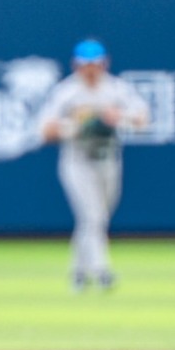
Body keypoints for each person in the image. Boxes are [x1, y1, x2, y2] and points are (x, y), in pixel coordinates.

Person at [36, 38, 150, 290]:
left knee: (97, 218)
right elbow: (44, 130)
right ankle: (102, 271)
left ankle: (78, 271)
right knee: (92, 215)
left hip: (108, 159)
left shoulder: (115, 89)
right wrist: (76, 125)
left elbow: (143, 118)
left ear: (104, 64)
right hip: (77, 160)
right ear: (76, 65)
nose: (90, 69)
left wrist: (117, 116)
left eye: (95, 64)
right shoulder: (67, 91)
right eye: (85, 64)